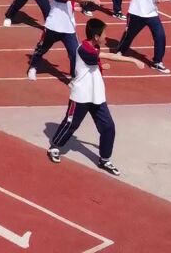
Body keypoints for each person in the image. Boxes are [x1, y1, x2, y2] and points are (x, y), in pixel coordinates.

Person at [47, 18, 143, 176]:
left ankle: (105, 159)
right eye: (104, 33)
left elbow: (93, 62)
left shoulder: (93, 47)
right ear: (96, 36)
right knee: (71, 123)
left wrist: (100, 66)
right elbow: (106, 56)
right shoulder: (84, 49)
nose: (106, 36)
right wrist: (132, 60)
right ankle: (55, 146)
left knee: (108, 127)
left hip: (97, 95)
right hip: (81, 95)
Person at [27, 0, 102, 80]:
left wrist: (80, 9)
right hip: (53, 27)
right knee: (41, 49)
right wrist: (91, 0)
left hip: (68, 29)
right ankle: (33, 68)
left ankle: (74, 77)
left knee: (74, 54)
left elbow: (68, 6)